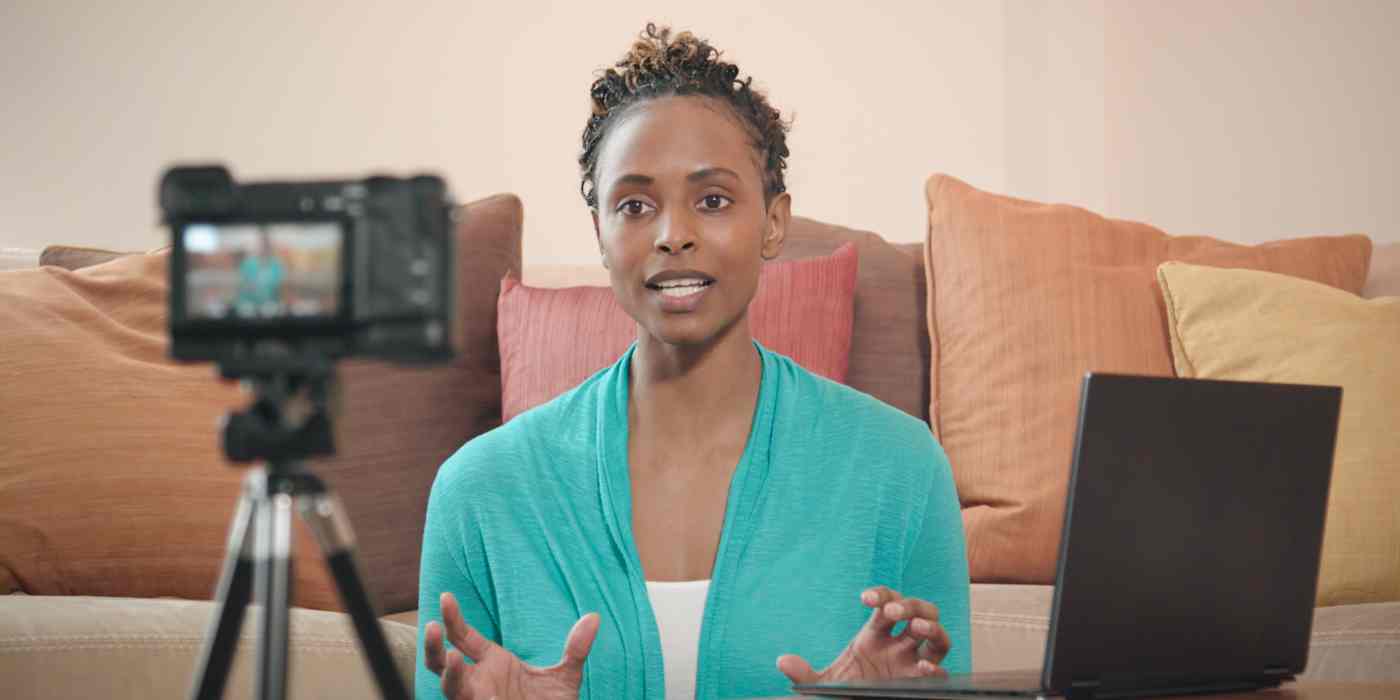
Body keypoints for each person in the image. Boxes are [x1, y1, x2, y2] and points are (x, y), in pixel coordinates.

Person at [416, 24, 970, 700]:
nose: (673, 235)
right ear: (601, 234)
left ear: (773, 222)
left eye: (712, 200)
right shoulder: (478, 492)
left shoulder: (902, 470)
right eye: (635, 205)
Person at [234, 227, 284, 316]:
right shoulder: (248, 263)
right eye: (261, 244)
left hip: (269, 303)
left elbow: (279, 286)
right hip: (248, 302)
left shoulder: (276, 264)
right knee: (246, 310)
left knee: (270, 310)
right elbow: (241, 284)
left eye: (267, 244)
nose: (264, 247)